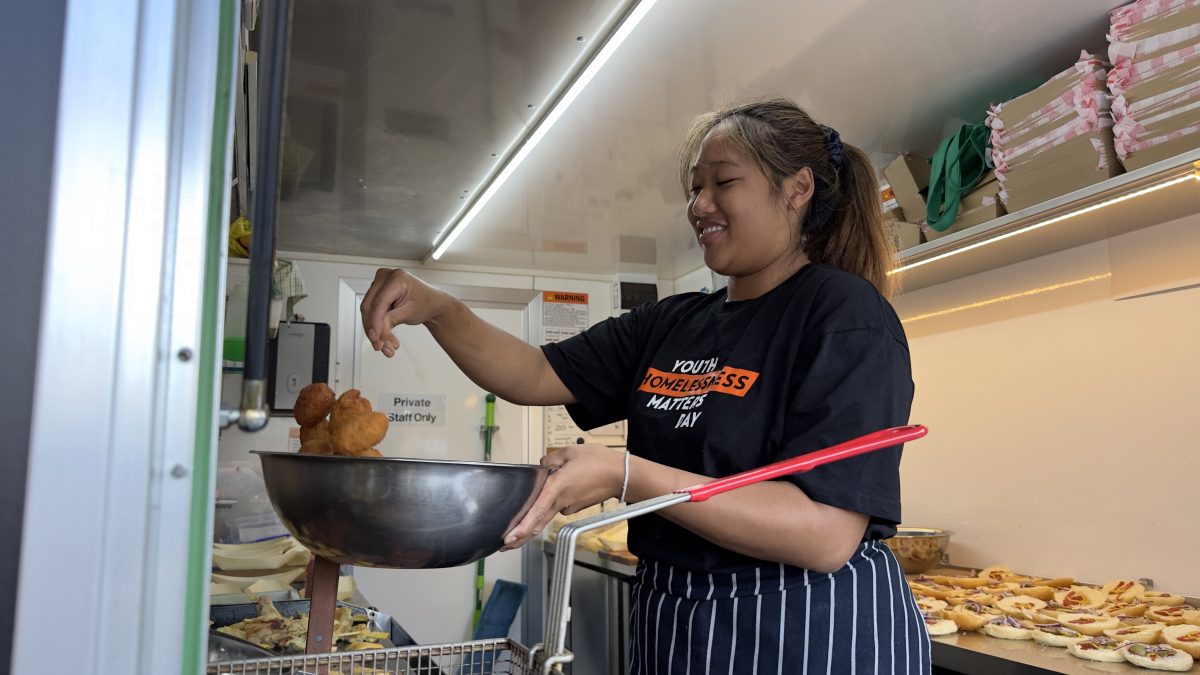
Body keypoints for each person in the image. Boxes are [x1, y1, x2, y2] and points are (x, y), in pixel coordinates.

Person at [360, 97, 927, 674]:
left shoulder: (843, 314)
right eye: (694, 187)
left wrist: (625, 473)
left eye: (722, 182)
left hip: (808, 633)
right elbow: (532, 373)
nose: (698, 205)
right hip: (677, 622)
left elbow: (824, 534)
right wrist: (437, 308)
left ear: (797, 188)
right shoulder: (674, 322)